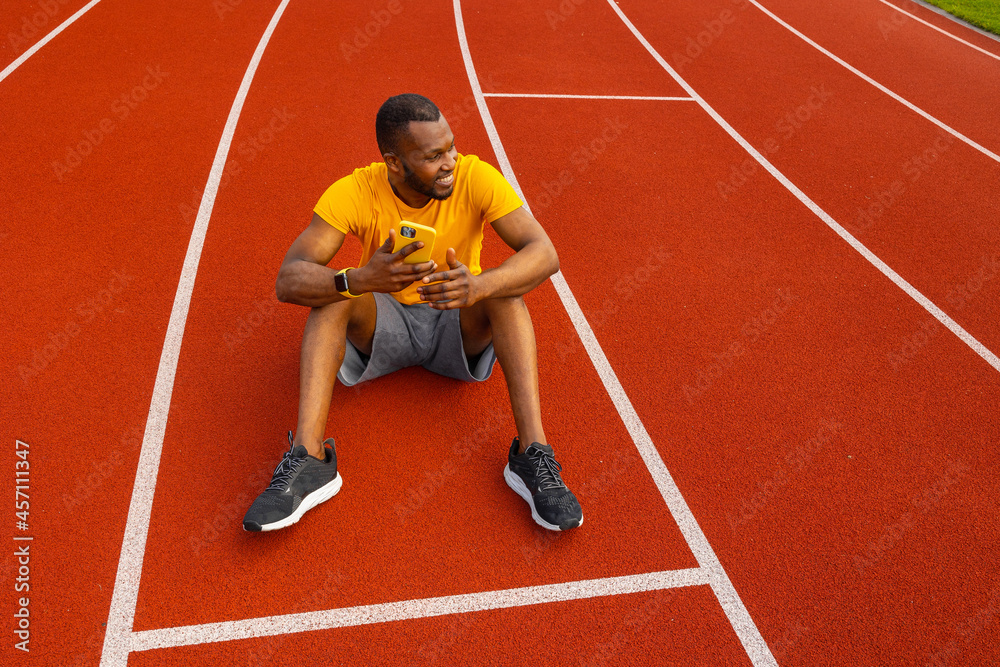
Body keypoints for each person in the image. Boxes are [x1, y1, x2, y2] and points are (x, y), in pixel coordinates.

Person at [242, 93, 582, 533]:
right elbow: (288, 280)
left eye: (452, 147)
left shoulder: (477, 177)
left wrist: (479, 285)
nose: (450, 162)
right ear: (394, 163)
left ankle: (532, 455)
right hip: (385, 323)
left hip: (457, 322)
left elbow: (545, 253)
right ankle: (310, 461)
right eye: (434, 155)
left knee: (506, 293)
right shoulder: (356, 190)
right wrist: (360, 280)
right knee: (332, 297)